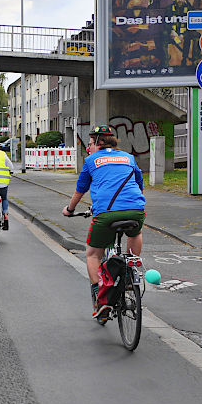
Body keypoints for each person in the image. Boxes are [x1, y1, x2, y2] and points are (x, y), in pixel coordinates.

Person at [62, 125, 145, 319]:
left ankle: (100, 299)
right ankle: (130, 269)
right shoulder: (128, 157)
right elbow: (139, 184)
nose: (88, 148)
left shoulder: (91, 161)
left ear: (99, 142)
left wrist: (69, 210)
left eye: (89, 144)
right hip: (136, 209)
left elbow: (80, 190)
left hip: (107, 214)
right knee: (136, 232)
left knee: (92, 254)